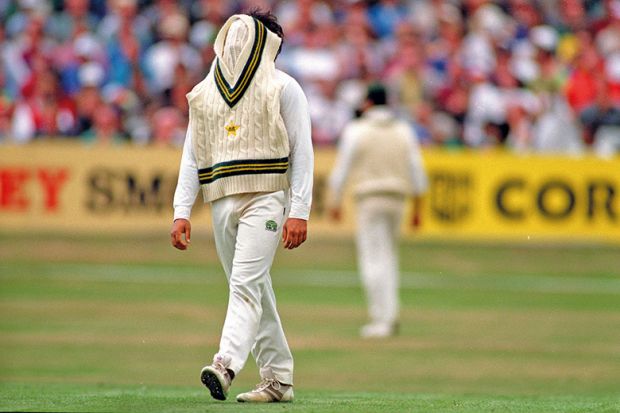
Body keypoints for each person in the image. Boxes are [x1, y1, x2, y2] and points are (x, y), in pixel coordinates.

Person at [170, 10, 313, 403]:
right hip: (221, 198)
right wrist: (182, 209)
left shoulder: (283, 88)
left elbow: (303, 152)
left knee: (245, 285)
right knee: (254, 287)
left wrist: (299, 210)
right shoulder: (206, 92)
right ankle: (279, 380)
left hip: (265, 197)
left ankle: (224, 364)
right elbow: (192, 153)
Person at [327, 83, 427, 339]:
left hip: (369, 199)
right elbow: (417, 170)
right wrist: (418, 208)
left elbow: (341, 171)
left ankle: (380, 319)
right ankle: (390, 315)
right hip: (398, 200)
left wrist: (335, 201)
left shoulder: (357, 130)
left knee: (373, 259)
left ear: (368, 103)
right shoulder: (403, 130)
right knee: (389, 258)